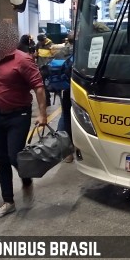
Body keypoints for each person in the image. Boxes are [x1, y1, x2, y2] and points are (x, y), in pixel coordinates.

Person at [0, 21, 48, 220]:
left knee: (13, 156)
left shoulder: (23, 59)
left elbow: (39, 87)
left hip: (19, 115)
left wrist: (42, 114)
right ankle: (8, 201)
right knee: (1, 159)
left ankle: (26, 178)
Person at [56, 32, 75, 163]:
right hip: (81, 88)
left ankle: (66, 152)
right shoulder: (83, 50)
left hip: (65, 88)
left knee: (65, 116)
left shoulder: (62, 51)